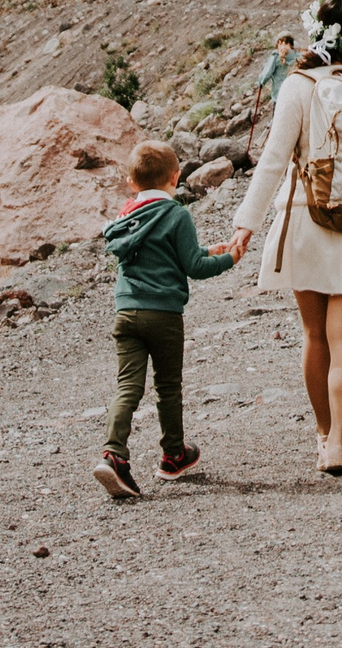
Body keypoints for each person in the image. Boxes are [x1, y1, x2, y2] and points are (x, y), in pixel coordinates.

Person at [228, 0, 342, 476]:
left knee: (314, 334)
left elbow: (273, 162)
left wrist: (246, 225)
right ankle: (341, 442)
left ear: (316, 33)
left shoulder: (299, 86)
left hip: (306, 217)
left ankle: (323, 434)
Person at [92, 140, 236, 499]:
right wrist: (229, 258)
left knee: (128, 386)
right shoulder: (177, 214)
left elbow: (157, 252)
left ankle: (113, 454)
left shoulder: (127, 214)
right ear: (176, 177)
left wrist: (207, 249)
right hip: (165, 315)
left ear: (132, 182)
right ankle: (173, 456)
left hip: (126, 313)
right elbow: (193, 267)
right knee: (167, 387)